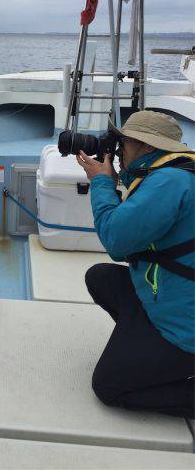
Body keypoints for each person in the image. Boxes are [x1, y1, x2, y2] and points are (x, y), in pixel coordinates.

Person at [76, 110, 194, 418]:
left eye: (123, 142)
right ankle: (144, 343)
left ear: (146, 147)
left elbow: (116, 240)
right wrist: (117, 179)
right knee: (100, 277)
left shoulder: (167, 183)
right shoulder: (171, 173)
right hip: (171, 299)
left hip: (186, 327)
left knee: (108, 385)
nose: (117, 149)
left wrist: (102, 183)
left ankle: (174, 365)